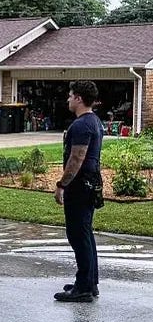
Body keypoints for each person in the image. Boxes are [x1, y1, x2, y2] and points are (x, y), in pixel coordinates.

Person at [54, 80, 104, 302]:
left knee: (78, 234)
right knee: (85, 233)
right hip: (90, 182)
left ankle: (83, 287)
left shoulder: (82, 125)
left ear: (79, 99)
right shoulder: (94, 121)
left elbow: (77, 158)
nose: (68, 99)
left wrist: (61, 184)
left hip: (80, 185)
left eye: (70, 95)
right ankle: (89, 282)